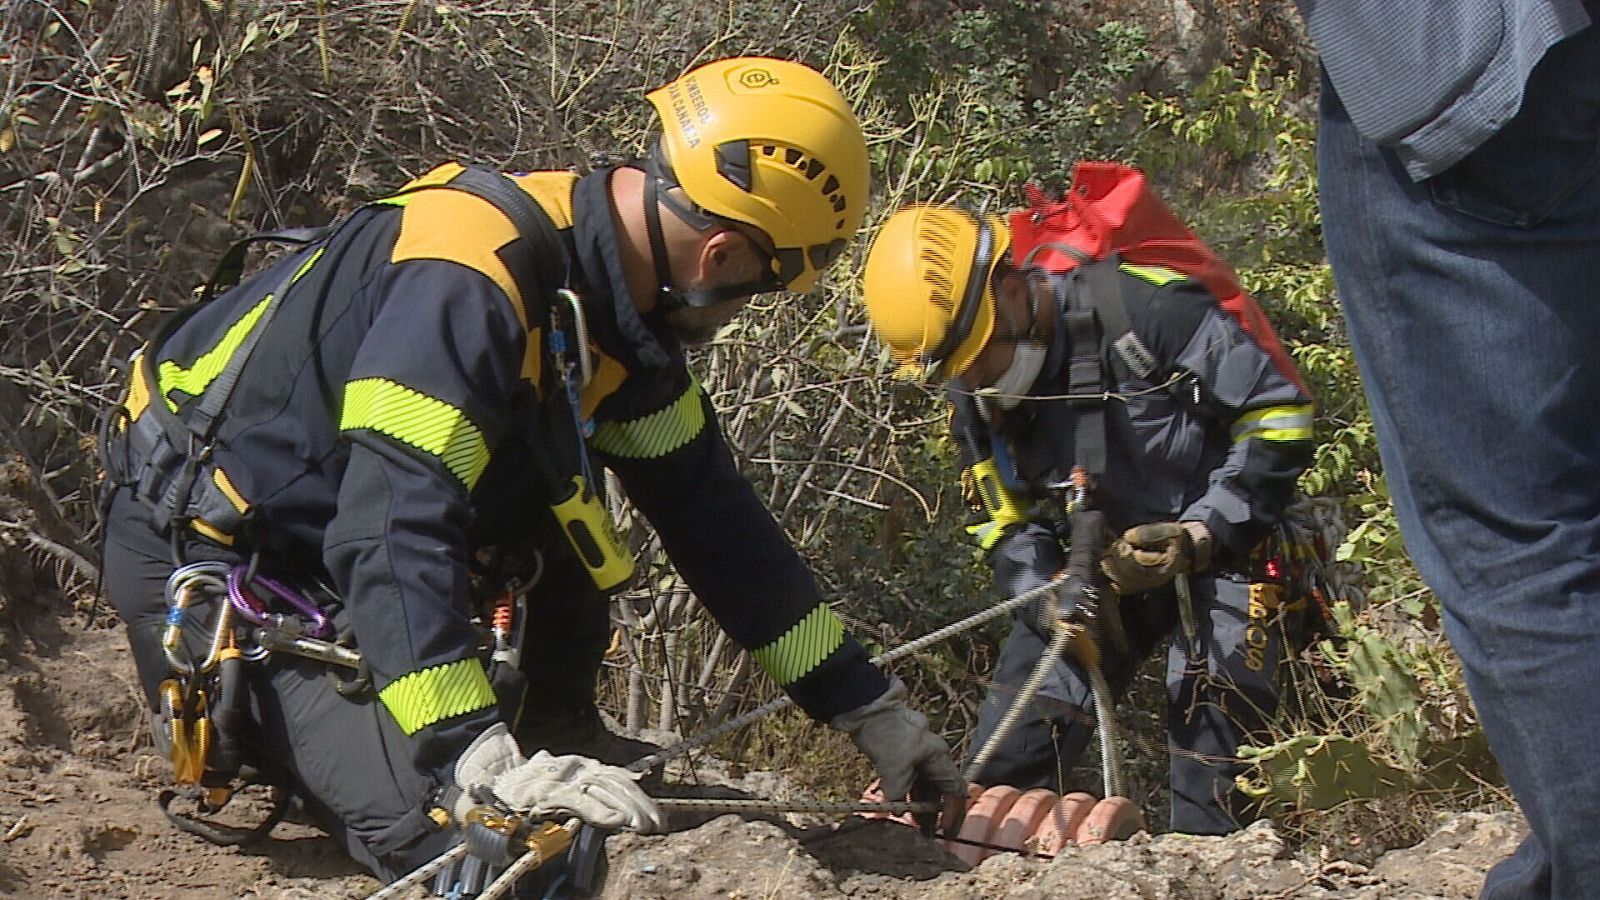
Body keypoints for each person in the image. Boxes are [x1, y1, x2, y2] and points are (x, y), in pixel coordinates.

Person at [97, 56, 964, 882]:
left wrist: (868, 710)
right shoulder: (472, 279)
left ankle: (557, 726)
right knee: (500, 847)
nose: (738, 313)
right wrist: (474, 758)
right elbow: (389, 525)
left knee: (563, 495)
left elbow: (721, 533)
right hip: (224, 561)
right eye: (758, 287)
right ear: (723, 257)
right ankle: (451, 759)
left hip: (340, 546)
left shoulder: (611, 321)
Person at [859, 202, 1314, 834]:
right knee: (1001, 777)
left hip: (1230, 554)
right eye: (958, 368)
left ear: (1011, 290)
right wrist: (1044, 594)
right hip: (1099, 572)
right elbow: (1005, 522)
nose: (976, 377)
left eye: (982, 354)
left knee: (1214, 776)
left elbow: (1280, 417)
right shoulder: (975, 395)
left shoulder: (1144, 309)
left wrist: (1203, 533)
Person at [1296, 3, 1600, 896]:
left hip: (1475, 72)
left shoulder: (1142, 309)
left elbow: (1260, 418)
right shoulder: (993, 404)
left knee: (1517, 548)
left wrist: (1207, 527)